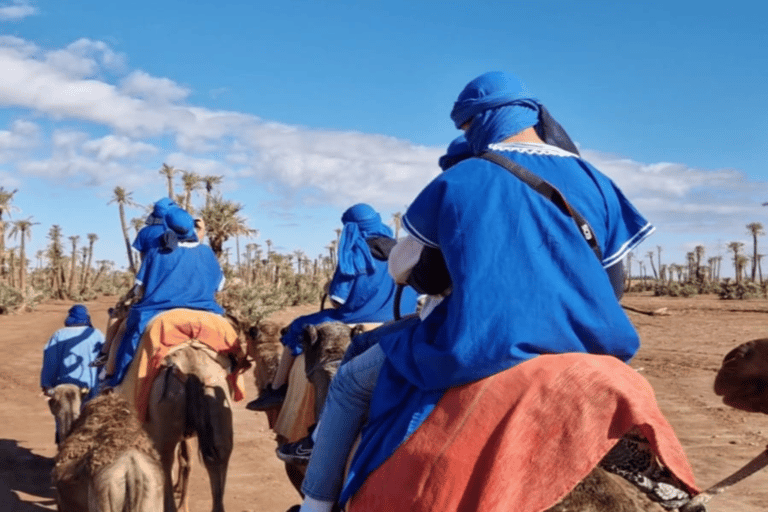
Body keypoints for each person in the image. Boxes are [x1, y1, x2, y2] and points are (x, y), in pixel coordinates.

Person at [291, 71, 655, 512]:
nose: (468, 134)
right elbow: (613, 282)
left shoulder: (459, 181)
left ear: (481, 121)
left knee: (349, 382)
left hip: (479, 342)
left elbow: (415, 272)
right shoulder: (595, 180)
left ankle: (317, 503)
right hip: (590, 342)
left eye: (465, 126)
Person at [247, 203, 419, 411]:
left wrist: (330, 288)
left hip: (355, 319)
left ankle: (277, 389)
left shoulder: (354, 255)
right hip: (400, 321)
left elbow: (338, 300)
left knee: (296, 327)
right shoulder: (402, 252)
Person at [107, 207, 226, 387]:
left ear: (167, 228)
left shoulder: (156, 253)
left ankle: (118, 383)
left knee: (129, 340)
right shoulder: (207, 252)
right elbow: (220, 285)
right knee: (232, 347)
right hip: (206, 313)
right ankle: (236, 382)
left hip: (156, 313)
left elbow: (140, 290)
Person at [40, 304, 105, 402]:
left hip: (63, 385)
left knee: (64, 415)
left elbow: (50, 361)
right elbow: (104, 357)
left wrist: (46, 384)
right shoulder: (96, 334)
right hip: (90, 385)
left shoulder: (59, 335)